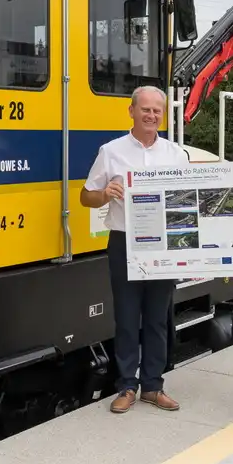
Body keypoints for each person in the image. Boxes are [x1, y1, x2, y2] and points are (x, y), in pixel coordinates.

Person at [81, 85, 189, 414]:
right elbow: (86, 196)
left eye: (157, 110)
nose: (152, 115)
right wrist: (104, 194)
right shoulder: (111, 151)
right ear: (131, 111)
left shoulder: (176, 154)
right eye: (145, 109)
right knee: (127, 318)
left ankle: (153, 386)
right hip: (124, 240)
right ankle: (127, 385)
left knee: (157, 318)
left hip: (163, 244)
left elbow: (189, 201)